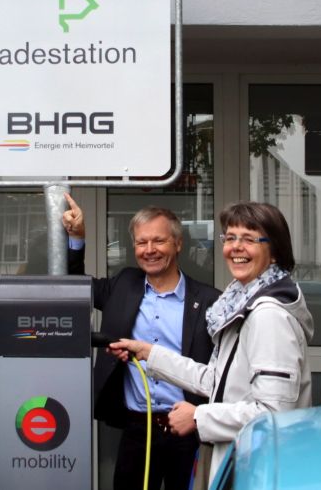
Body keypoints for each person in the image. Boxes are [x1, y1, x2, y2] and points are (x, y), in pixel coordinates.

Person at [109, 201, 313, 481]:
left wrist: (198, 418)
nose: (236, 247)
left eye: (249, 239)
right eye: (230, 238)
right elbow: (216, 381)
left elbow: (273, 412)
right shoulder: (238, 305)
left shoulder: (269, 316)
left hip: (262, 466)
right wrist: (150, 353)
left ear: (274, 252)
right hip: (245, 459)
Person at [62, 195, 220, 490]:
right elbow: (73, 288)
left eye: (158, 241)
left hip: (188, 429)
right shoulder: (124, 285)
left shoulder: (209, 301)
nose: (149, 250)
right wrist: (77, 238)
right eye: (141, 242)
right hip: (138, 429)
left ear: (178, 243)